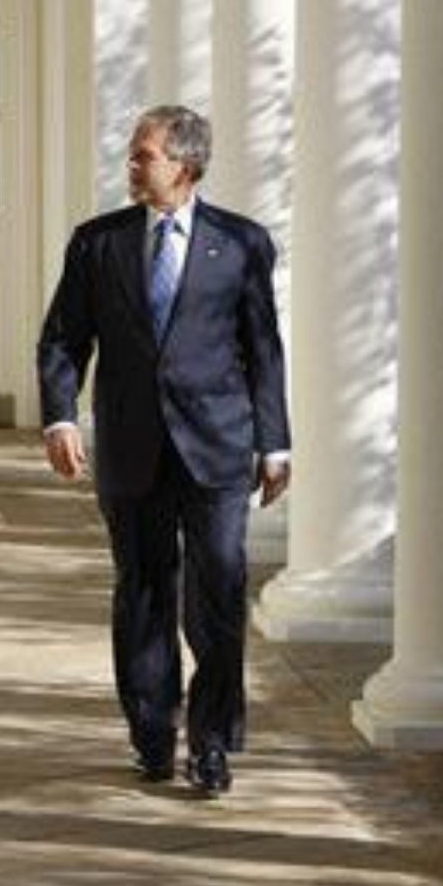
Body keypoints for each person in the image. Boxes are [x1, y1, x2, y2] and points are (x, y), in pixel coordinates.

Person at [37, 105, 290, 795]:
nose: (132, 164)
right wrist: (60, 418)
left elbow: (263, 350)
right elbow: (63, 338)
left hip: (217, 448)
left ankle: (211, 744)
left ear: (186, 163)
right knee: (143, 593)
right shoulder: (98, 243)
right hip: (130, 448)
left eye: (144, 154)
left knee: (218, 594)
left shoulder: (242, 243)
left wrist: (276, 443)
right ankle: (152, 733)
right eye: (133, 152)